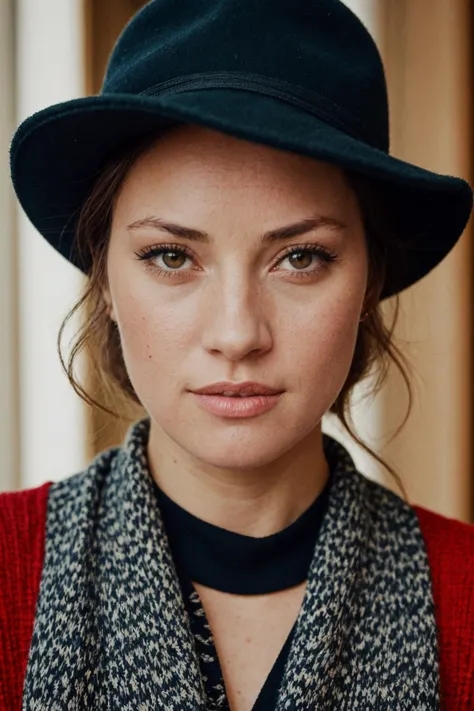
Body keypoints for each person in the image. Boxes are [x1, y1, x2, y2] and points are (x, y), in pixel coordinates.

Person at [2, 0, 474, 709]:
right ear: (104, 280)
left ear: (369, 280)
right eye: (170, 256)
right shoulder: (9, 571)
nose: (238, 332)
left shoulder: (464, 591)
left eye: (301, 257)